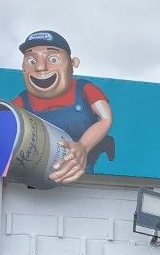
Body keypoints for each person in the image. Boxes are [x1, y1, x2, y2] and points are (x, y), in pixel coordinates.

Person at [13, 30, 114, 184]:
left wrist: (82, 147)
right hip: (37, 177)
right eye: (31, 61)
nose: (40, 67)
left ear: (73, 64)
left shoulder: (85, 89)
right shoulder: (21, 101)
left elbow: (105, 119)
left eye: (52, 59)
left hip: (86, 176)